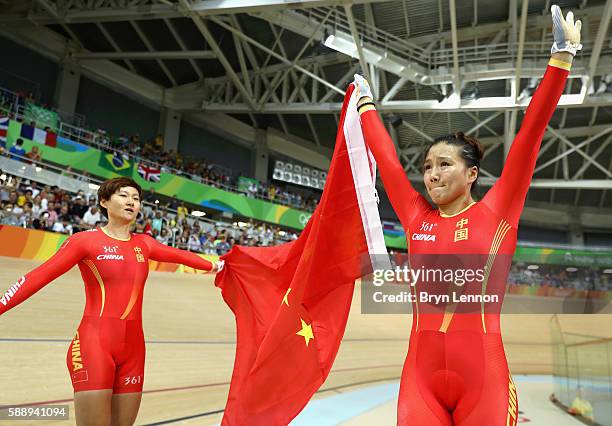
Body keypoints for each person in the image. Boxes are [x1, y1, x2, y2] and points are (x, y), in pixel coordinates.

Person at [353, 5, 580, 425]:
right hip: (419, 379)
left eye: (443, 165)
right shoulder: (416, 217)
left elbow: (530, 136)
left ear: (472, 173)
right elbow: (385, 159)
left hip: (484, 378)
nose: (432, 175)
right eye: (426, 167)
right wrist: (365, 107)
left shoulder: (498, 210)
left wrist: (561, 61)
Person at [0, 177, 222, 425]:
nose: (131, 202)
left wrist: (217, 265)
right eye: (124, 195)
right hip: (94, 344)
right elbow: (37, 277)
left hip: (134, 349)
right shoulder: (84, 241)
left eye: (136, 198)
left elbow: (182, 256)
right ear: (104, 202)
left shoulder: (144, 244)